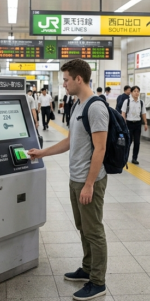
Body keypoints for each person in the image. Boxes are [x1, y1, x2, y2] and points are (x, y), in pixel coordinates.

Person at [29, 58, 108, 301]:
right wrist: (42, 152)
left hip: (88, 180)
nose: (63, 84)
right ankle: (87, 268)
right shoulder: (77, 105)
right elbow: (70, 141)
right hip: (77, 178)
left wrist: (89, 184)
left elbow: (100, 149)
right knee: (82, 226)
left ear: (78, 79)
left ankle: (98, 281)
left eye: (65, 79)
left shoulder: (95, 107)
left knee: (94, 230)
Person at [121, 86, 148, 165]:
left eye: (138, 91)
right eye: (135, 91)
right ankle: (125, 158)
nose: (136, 93)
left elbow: (143, 113)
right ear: (131, 92)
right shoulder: (127, 101)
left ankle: (134, 158)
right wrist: (123, 123)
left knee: (137, 142)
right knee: (128, 142)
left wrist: (145, 123)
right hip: (129, 124)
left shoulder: (141, 102)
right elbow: (123, 113)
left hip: (137, 124)